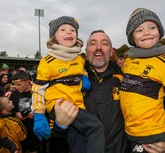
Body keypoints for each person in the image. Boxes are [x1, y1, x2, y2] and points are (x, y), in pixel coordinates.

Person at [120, 8, 165, 153]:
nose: (146, 32)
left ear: (159, 31)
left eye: (152, 27)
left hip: (156, 136)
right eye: (139, 30)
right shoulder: (128, 61)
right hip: (130, 133)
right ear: (132, 37)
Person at [31, 16, 104, 153]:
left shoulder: (79, 59)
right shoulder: (47, 61)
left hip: (77, 106)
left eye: (72, 30)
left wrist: (84, 77)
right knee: (95, 127)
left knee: (79, 143)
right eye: (63, 30)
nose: (69, 32)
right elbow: (38, 89)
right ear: (54, 37)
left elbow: (81, 70)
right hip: (59, 105)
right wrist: (39, 114)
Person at [82, 30, 130, 153]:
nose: (98, 48)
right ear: (86, 52)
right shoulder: (71, 80)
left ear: (111, 51)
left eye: (104, 43)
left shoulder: (126, 78)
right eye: (93, 43)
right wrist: (60, 127)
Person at [9, 70, 41, 153]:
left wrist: (38, 114)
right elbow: (9, 110)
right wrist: (15, 113)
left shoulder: (37, 93)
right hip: (19, 133)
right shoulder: (14, 94)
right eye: (15, 84)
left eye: (19, 85)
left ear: (27, 82)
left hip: (35, 133)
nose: (16, 87)